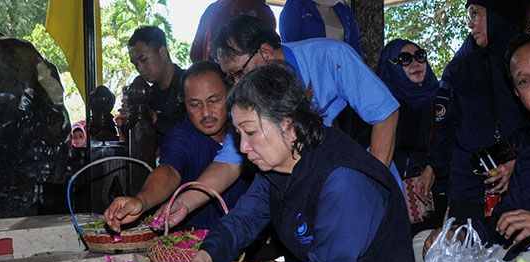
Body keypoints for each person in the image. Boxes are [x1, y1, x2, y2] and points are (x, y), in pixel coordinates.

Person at [182, 62, 418, 262]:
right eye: (239, 135)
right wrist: (205, 258)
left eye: (250, 132)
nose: (243, 147)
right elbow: (242, 220)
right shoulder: (276, 163)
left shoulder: (343, 179)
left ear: (290, 127)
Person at [158, 15, 400, 227]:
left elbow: (384, 113)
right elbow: (229, 163)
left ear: (265, 52)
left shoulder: (329, 56)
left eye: (240, 72)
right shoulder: (252, 96)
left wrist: (371, 184)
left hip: (364, 170)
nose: (237, 82)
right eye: (230, 76)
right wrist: (184, 203)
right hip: (316, 187)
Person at [423, 33, 530, 259]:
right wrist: (461, 235)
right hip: (522, 252)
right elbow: (502, 219)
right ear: (516, 93)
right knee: (429, 245)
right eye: (524, 81)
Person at [105, 61, 248, 233]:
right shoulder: (182, 137)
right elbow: (169, 171)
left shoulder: (247, 129)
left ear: (230, 94)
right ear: (183, 103)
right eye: (195, 104)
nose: (206, 113)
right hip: (198, 242)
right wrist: (141, 201)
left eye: (214, 101)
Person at [430, 0, 530, 224]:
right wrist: (435, 167)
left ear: (498, 13)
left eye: (475, 14)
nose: (470, 24)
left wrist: (522, 161)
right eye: (469, 16)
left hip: (524, 181)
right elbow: (447, 126)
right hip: (468, 187)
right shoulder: (462, 67)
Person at [376, 39, 447, 235]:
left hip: (434, 199)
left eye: (420, 56)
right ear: (391, 65)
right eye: (405, 59)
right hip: (391, 201)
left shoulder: (441, 98)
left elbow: (451, 141)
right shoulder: (380, 108)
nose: (415, 63)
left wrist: (433, 166)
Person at [123, 26, 186, 145]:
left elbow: (198, 131)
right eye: (135, 64)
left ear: (162, 52)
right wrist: (130, 123)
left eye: (144, 60)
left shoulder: (190, 85)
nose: (140, 69)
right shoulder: (148, 96)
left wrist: (155, 119)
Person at [190, 0, 276, 63]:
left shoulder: (212, 9)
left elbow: (196, 53)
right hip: (249, 79)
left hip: (212, 76)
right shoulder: (264, 13)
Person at [279, 0, 362, 57]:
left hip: (340, 74)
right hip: (308, 75)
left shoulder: (344, 10)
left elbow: (355, 50)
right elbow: (289, 47)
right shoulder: (295, 5)